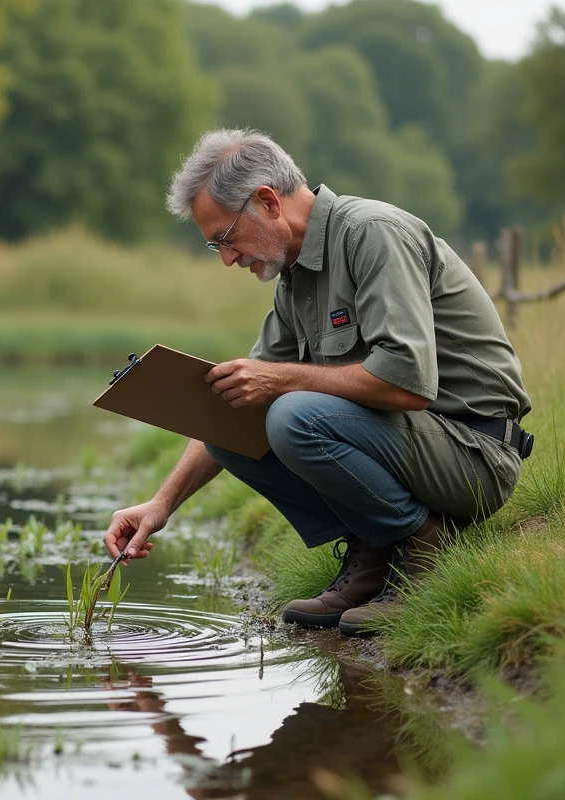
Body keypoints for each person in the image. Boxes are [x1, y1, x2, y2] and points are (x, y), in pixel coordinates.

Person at [103, 129, 532, 637]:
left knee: (290, 414)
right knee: (231, 417)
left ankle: (424, 548)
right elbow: (234, 412)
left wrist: (281, 379)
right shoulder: (295, 275)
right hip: (412, 445)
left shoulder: (373, 233)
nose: (226, 258)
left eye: (225, 238)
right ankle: (374, 554)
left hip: (473, 454)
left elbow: (409, 383)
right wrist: (161, 504)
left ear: (267, 202)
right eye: (214, 245)